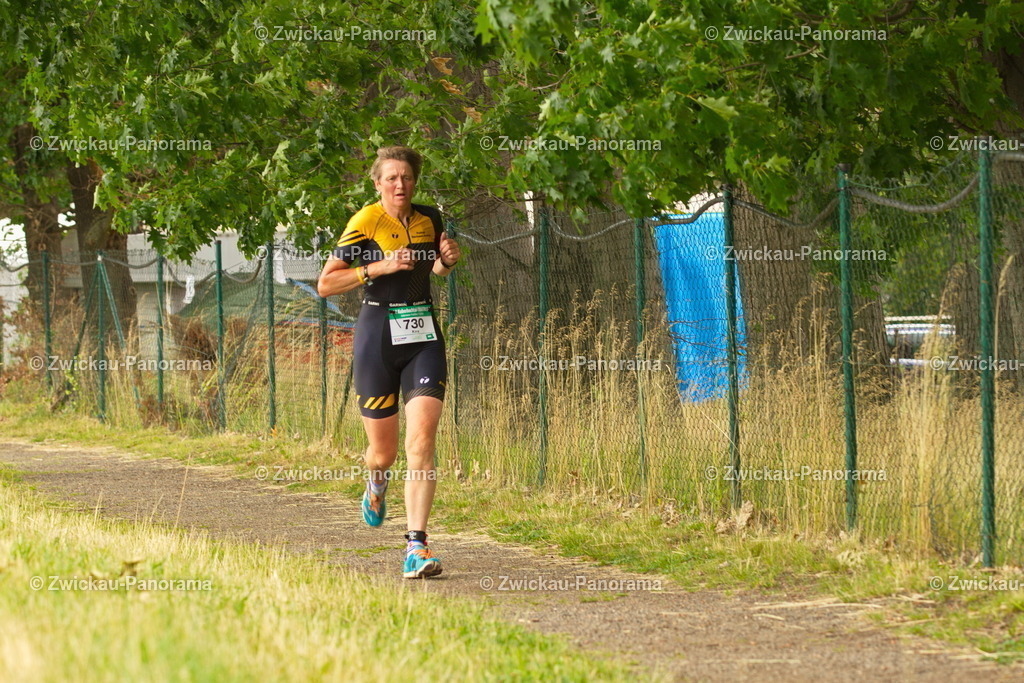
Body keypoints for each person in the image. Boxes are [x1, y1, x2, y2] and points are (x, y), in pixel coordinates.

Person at [317, 146, 460, 578]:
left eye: (407, 178)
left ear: (415, 181)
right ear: (377, 183)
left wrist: (444, 264)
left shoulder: (430, 217)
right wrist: (377, 267)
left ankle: (417, 547)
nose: (401, 185)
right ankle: (376, 483)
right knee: (384, 454)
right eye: (392, 178)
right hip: (377, 335)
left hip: (423, 335)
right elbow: (326, 284)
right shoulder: (365, 222)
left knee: (422, 445)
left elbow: (432, 269)